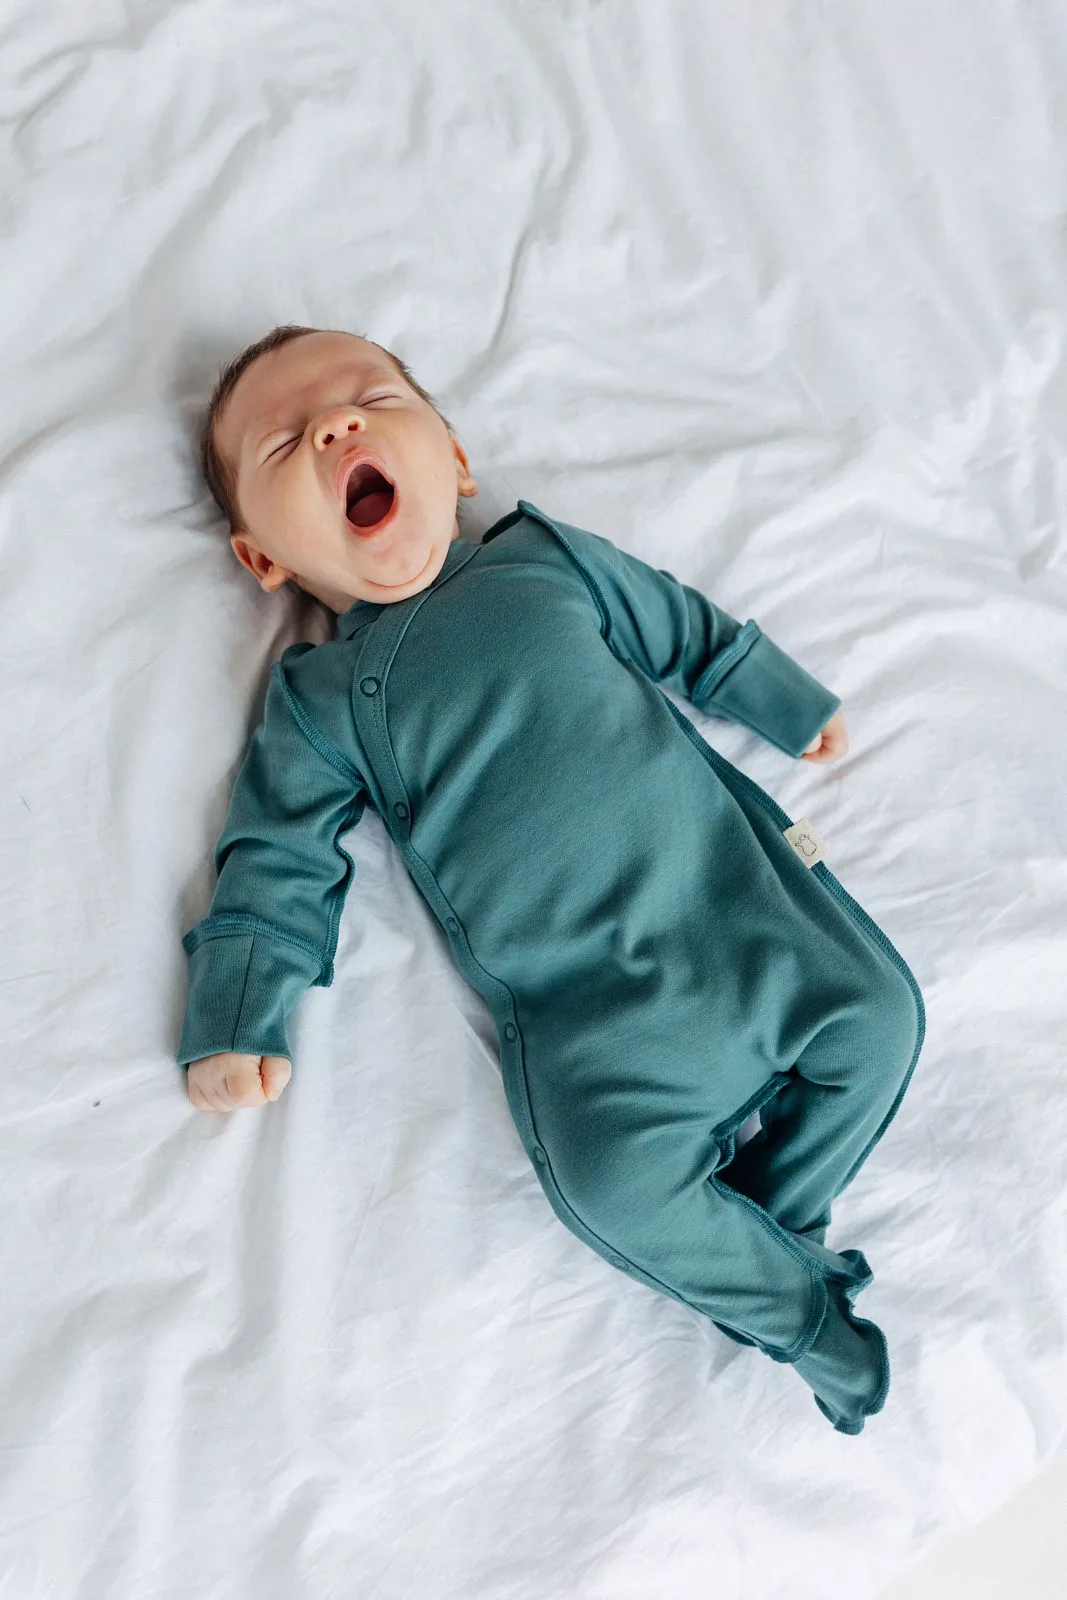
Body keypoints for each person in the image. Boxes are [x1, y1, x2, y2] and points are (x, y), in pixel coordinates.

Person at [178, 323, 925, 1434]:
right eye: (286, 444)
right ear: (262, 560)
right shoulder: (322, 699)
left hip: (730, 907)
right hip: (587, 1018)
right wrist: (238, 1009)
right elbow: (275, 857)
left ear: (454, 460)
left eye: (371, 398)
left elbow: (682, 630)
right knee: (605, 1187)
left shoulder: (540, 559)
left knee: (880, 1019)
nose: (335, 426)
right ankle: (804, 1315)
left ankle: (771, 1235)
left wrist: (778, 696)